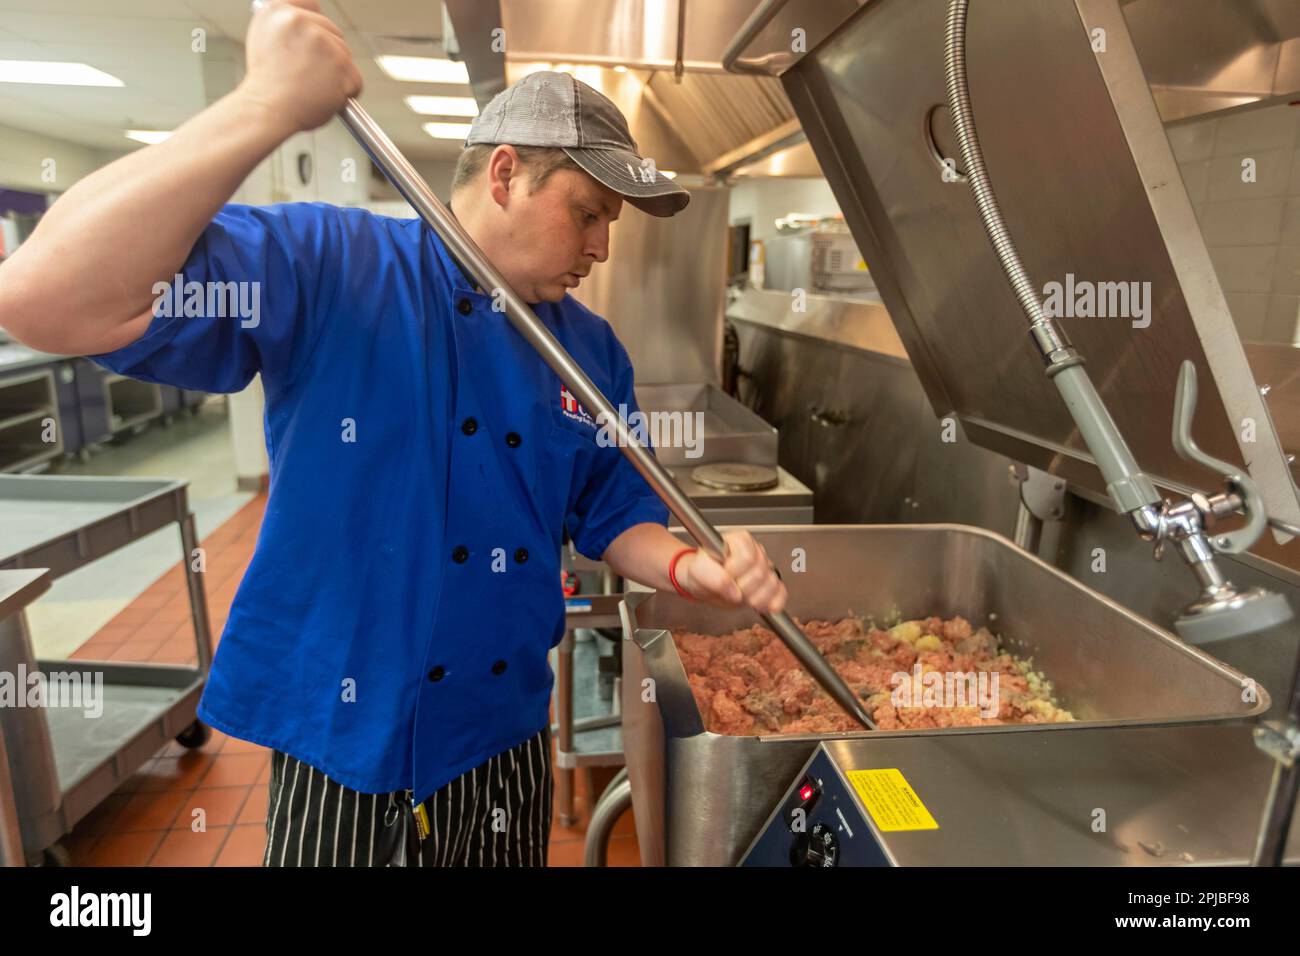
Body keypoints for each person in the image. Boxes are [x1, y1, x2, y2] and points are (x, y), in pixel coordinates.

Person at [0, 0, 787, 866]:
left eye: (613, 223)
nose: (601, 245)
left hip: (502, 735)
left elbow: (611, 511)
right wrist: (263, 104)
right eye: (588, 212)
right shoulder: (332, 268)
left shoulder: (589, 350)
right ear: (504, 174)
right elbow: (42, 298)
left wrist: (689, 566)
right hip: (347, 742)